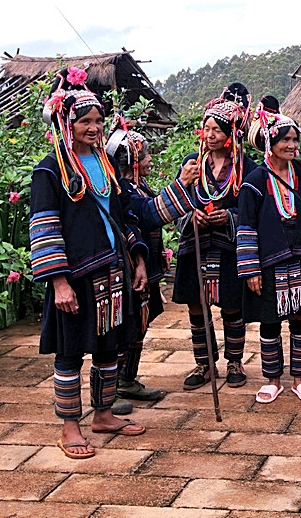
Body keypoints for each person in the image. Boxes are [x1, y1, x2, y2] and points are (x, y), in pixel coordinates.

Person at [31, 68, 148, 459]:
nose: (94, 128)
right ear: (67, 123)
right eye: (85, 121)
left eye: (99, 120)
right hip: (76, 275)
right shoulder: (51, 170)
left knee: (109, 347)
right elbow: (44, 227)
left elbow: (126, 214)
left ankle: (103, 415)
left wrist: (138, 258)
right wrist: (59, 282)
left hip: (112, 270)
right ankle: (70, 427)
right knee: (69, 353)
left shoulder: (107, 164)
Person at [238, 98, 301, 403]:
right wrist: (250, 268)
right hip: (268, 259)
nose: (292, 145)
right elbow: (246, 225)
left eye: (294, 139)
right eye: (285, 140)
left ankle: (300, 378)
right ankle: (272, 379)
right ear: (269, 143)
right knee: (270, 319)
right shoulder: (254, 181)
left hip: (300, 255)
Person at [172, 84, 259, 390]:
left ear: (231, 133)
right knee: (197, 305)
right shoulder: (192, 163)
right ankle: (204, 364)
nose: (209, 135)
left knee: (232, 305)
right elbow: (178, 198)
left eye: (216, 130)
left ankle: (235, 361)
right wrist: (190, 215)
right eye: (206, 129)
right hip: (195, 244)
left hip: (228, 246)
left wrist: (231, 216)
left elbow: (254, 208)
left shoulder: (246, 168)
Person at [107, 122, 198, 403]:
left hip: (146, 268)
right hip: (130, 269)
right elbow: (148, 214)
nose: (149, 160)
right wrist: (181, 184)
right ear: (132, 161)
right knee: (127, 325)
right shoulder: (121, 190)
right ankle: (113, 384)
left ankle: (127, 379)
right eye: (145, 155)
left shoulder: (138, 185)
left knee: (140, 323)